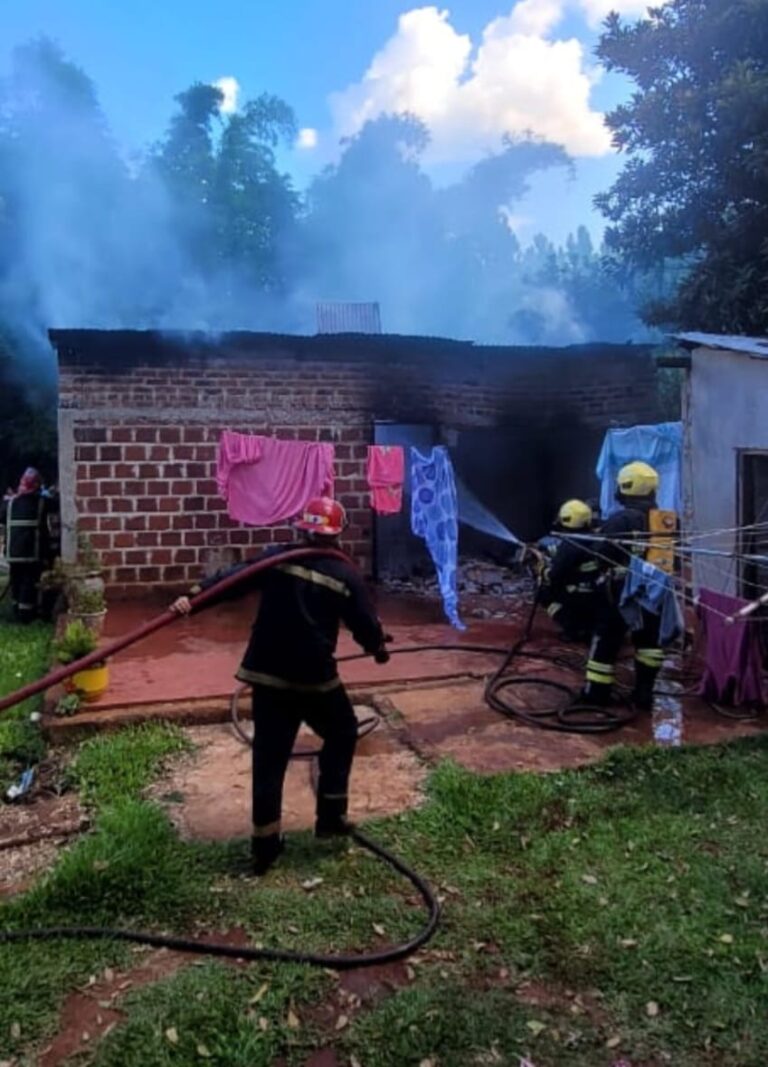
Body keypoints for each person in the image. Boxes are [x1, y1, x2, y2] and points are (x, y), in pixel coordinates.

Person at [171, 497, 390, 875]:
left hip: (267, 675)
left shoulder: (276, 559)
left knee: (269, 759)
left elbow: (232, 580)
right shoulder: (345, 574)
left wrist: (192, 598)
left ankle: (265, 849)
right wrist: (378, 650)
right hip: (314, 679)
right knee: (343, 731)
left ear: (301, 529)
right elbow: (365, 623)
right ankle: (331, 817)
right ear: (336, 534)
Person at [579, 461, 664, 711]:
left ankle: (596, 694)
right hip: (654, 595)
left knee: (606, 640)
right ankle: (644, 694)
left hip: (619, 593)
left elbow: (600, 554)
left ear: (627, 486)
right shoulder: (666, 521)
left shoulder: (620, 520)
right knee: (649, 644)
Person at [536, 499, 602, 643]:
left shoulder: (570, 544)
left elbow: (555, 576)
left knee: (543, 593)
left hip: (579, 596)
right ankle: (588, 627)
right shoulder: (597, 538)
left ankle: (573, 628)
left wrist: (541, 570)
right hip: (600, 596)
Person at [0, 468, 53, 623]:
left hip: (13, 553)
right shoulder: (43, 502)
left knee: (16, 580)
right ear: (37, 485)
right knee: (28, 583)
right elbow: (57, 505)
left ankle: (17, 610)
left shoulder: (8, 504)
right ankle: (26, 616)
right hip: (32, 553)